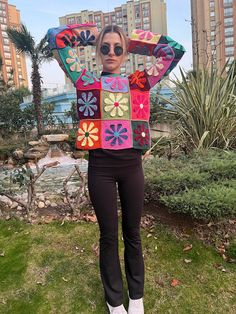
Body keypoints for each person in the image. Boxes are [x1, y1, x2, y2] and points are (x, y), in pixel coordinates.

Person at [47, 23, 185, 314]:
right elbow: (58, 39)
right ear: (97, 51)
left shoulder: (138, 82)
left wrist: (130, 39)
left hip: (132, 167)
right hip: (101, 169)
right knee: (108, 235)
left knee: (132, 233)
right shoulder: (86, 82)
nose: (112, 52)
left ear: (126, 53)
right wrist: (99, 33)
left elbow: (174, 51)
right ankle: (114, 300)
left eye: (118, 48)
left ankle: (136, 296)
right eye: (105, 47)